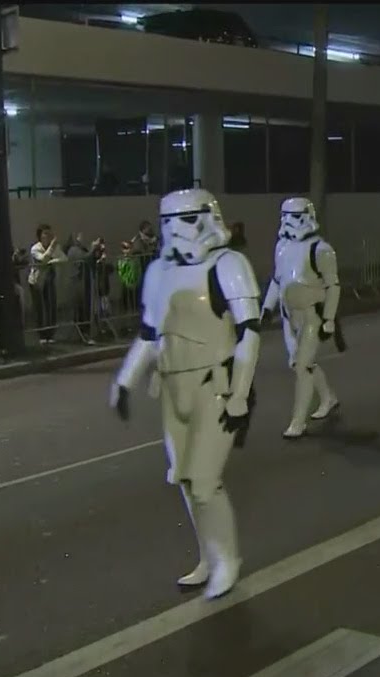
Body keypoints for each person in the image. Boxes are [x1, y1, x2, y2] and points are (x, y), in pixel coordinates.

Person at [109, 188, 259, 600]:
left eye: (187, 219)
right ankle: (209, 555)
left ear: (207, 217)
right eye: (168, 221)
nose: (176, 230)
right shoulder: (158, 271)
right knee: (186, 481)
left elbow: (249, 333)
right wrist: (125, 379)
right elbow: (148, 332)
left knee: (205, 481)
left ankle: (227, 559)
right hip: (173, 385)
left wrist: (240, 394)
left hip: (216, 383)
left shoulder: (229, 264)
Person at [261, 197, 341, 439]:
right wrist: (266, 308)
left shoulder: (321, 250)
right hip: (289, 316)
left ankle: (298, 421)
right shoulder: (282, 247)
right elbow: (278, 280)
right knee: (298, 363)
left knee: (302, 366)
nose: (288, 222)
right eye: (285, 216)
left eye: (294, 216)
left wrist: (328, 319)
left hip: (311, 316)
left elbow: (333, 286)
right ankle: (328, 397)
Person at [28, 224, 64, 344]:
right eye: (45, 234)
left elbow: (64, 258)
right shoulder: (35, 248)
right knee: (40, 309)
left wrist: (53, 260)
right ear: (40, 236)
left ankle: (51, 334)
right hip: (37, 282)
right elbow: (43, 259)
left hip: (49, 280)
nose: (48, 236)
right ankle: (42, 335)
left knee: (51, 306)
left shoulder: (54, 247)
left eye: (50, 234)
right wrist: (52, 248)